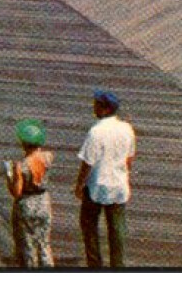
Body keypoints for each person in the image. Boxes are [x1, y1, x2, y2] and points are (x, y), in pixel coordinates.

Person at [75, 89, 135, 269]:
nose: (93, 107)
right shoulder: (127, 129)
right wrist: (124, 174)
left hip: (96, 186)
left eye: (96, 104)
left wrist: (79, 184)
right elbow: (130, 157)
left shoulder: (96, 131)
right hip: (119, 186)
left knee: (89, 226)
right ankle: (118, 265)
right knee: (117, 230)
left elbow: (88, 162)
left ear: (105, 109)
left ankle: (95, 265)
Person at [5, 119, 55, 268]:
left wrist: (10, 177)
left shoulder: (21, 166)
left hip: (26, 204)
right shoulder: (48, 157)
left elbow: (17, 192)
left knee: (27, 243)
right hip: (43, 201)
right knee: (44, 241)